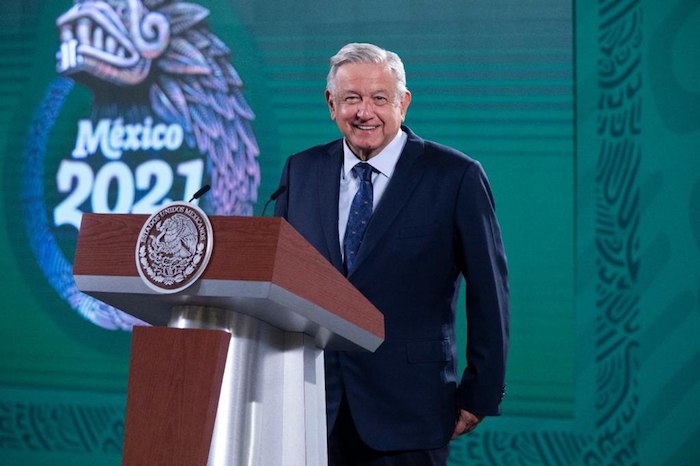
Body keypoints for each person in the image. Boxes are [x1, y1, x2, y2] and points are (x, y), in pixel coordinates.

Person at [274, 42, 509, 466]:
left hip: (411, 409)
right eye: (351, 99)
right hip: (311, 408)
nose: (365, 111)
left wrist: (481, 392)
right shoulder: (300, 171)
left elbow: (490, 294)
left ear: (403, 103)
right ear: (331, 104)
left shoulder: (455, 176)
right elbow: (281, 282)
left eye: (379, 98)